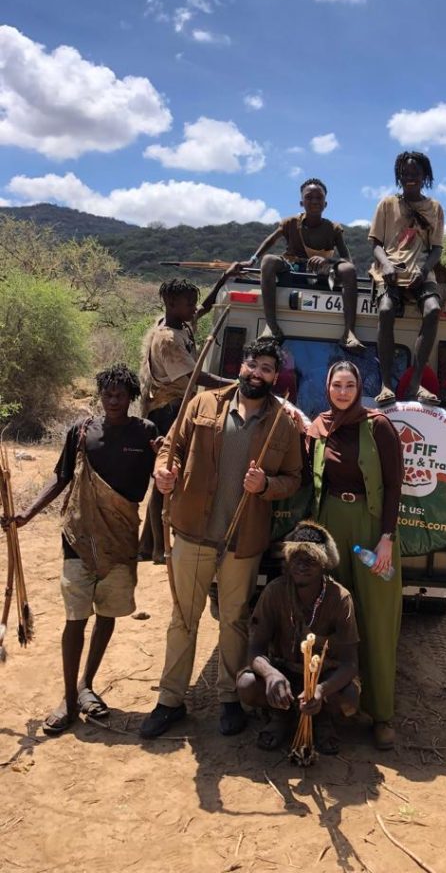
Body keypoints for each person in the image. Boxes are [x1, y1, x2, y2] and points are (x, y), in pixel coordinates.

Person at [139, 337, 303, 739]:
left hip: (243, 541)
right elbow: (170, 447)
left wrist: (266, 484)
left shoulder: (283, 421)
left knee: (234, 621)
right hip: (193, 531)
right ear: (241, 365)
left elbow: (294, 479)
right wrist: (164, 471)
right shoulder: (203, 403)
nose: (258, 373)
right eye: (253, 364)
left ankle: (230, 699)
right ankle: (169, 700)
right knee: (183, 619)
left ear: (275, 376)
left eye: (267, 368)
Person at [5, 365, 159, 735]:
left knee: (107, 611)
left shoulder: (147, 434)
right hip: (78, 536)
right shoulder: (81, 432)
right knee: (76, 616)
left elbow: (165, 478)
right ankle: (69, 700)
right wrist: (26, 513)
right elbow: (62, 478)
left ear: (132, 396)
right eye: (108, 393)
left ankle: (86, 684)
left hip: (120, 538)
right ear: (100, 395)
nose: (113, 400)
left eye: (121, 394)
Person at [307, 360, 403, 749]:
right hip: (329, 523)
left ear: (359, 387)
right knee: (331, 616)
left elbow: (395, 484)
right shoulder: (318, 428)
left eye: (349, 385)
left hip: (369, 525)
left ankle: (381, 714)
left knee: (376, 617)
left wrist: (387, 538)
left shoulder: (377, 425)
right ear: (327, 387)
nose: (343, 392)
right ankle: (331, 708)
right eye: (337, 385)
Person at [237, 521, 360, 754]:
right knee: (247, 684)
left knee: (350, 699)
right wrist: (271, 674)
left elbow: (350, 663)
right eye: (296, 558)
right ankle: (279, 715)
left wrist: (321, 690)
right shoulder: (274, 592)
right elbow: (255, 649)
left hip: (323, 678)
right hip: (284, 673)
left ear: (324, 564)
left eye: (311, 559)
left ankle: (322, 719)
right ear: (287, 560)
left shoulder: (340, 599)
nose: (302, 565)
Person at [138, 277, 232, 562]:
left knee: (165, 475)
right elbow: (196, 377)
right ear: (170, 304)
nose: (194, 309)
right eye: (188, 304)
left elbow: (202, 309)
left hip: (176, 406)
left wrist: (224, 279)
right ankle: (157, 549)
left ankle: (147, 545)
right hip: (167, 409)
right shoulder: (167, 339)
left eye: (193, 303)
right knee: (166, 473)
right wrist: (235, 384)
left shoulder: (178, 323)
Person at [229, 178, 364, 353]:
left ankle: (349, 333)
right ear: (302, 202)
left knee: (348, 269)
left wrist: (327, 261)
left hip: (322, 273)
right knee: (269, 260)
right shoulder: (291, 223)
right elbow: (271, 240)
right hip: (293, 268)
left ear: (326, 203)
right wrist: (252, 260)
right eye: (309, 197)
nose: (314, 201)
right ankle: (271, 326)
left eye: (319, 198)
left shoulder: (333, 228)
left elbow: (347, 259)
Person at [369, 151, 445, 405]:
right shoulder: (387, 204)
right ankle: (386, 384)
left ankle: (415, 383)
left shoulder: (434, 208)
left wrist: (423, 272)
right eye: (405, 173)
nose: (409, 177)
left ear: (425, 176)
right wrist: (387, 265)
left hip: (421, 271)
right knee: (386, 309)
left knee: (433, 310)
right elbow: (375, 242)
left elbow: (437, 249)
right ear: (399, 176)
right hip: (391, 269)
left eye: (415, 173)